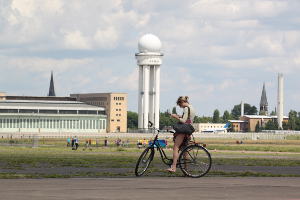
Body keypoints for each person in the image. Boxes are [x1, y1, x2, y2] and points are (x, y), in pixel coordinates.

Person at [167, 96, 195, 173]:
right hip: (189, 130)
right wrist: (178, 115)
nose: (180, 107)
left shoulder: (186, 108)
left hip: (183, 130)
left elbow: (183, 121)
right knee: (185, 150)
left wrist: (176, 117)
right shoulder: (191, 107)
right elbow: (188, 119)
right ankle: (186, 170)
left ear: (182, 102)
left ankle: (173, 167)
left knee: (176, 147)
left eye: (180, 105)